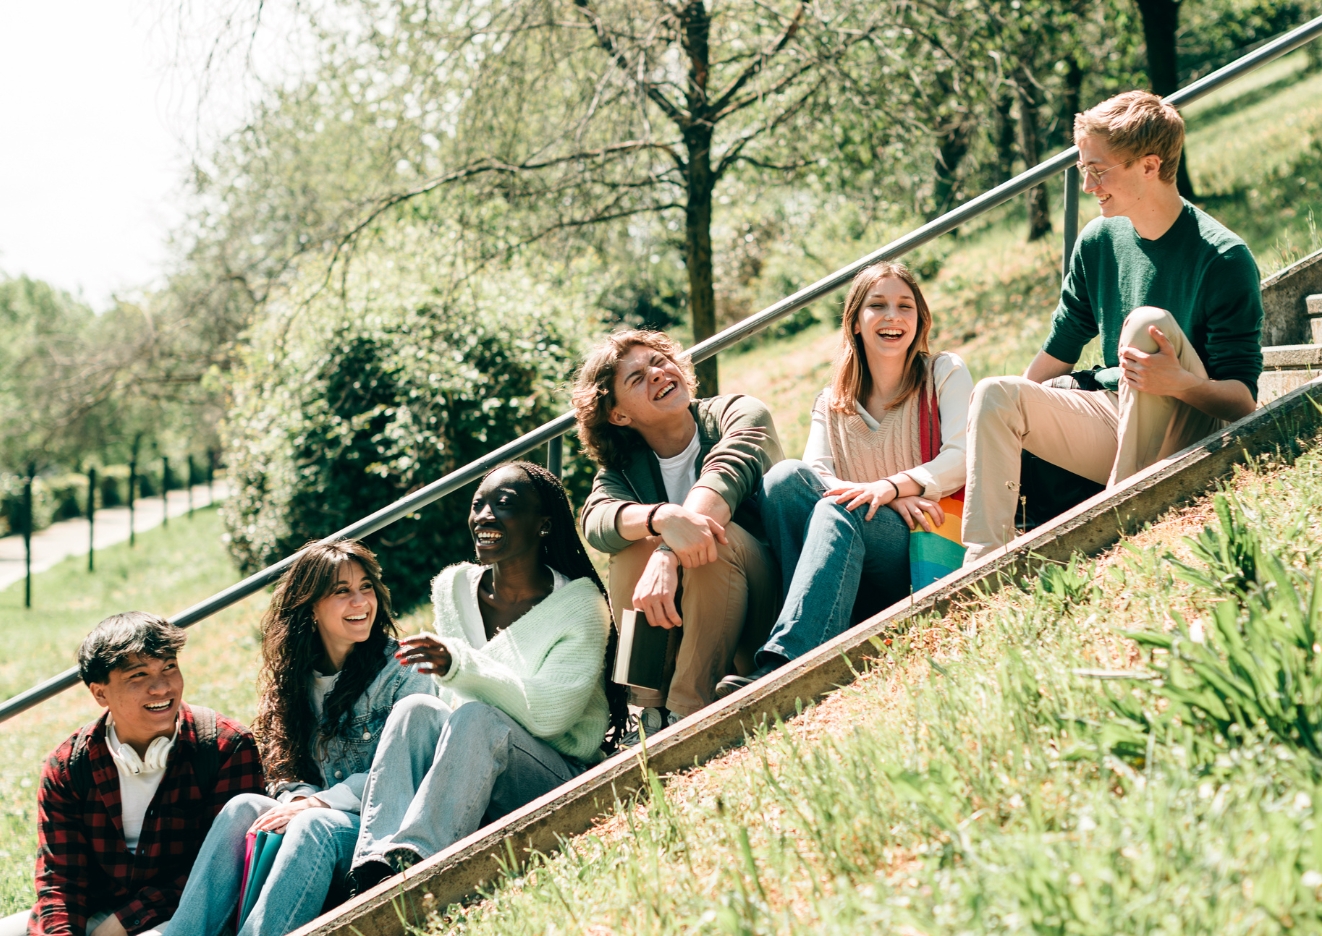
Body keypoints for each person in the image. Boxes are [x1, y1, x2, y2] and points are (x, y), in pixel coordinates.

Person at [962, 90, 1263, 562]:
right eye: (1084, 170)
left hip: (1189, 419)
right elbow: (1060, 345)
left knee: (1147, 324)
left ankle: (1119, 510)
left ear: (1149, 165)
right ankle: (982, 565)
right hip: (1116, 410)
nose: (1088, 186)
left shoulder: (1222, 258)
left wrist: (1178, 382)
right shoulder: (1098, 241)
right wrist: (999, 424)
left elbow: (1243, 401)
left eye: (1098, 171)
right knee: (993, 393)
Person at [347, 461, 628, 890]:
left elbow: (549, 716)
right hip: (474, 768)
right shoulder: (453, 587)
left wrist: (459, 665)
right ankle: (373, 867)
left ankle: (418, 864)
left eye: (504, 504)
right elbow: (460, 708)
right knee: (414, 709)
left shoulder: (581, 605)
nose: (485, 516)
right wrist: (457, 673)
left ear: (544, 524)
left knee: (478, 716)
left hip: (555, 774)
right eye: (478, 504)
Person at [715, 262, 972, 698]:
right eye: (878, 305)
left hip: (918, 546)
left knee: (836, 507)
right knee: (783, 479)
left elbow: (965, 457)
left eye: (904, 306)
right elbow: (815, 475)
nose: (893, 316)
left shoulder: (943, 372)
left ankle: (790, 661)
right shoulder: (832, 401)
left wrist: (891, 488)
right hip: (862, 530)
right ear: (855, 321)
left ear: (920, 320)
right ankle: (817, 622)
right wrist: (887, 497)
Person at [165, 541, 434, 936]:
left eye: (366, 587)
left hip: (377, 833)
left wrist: (317, 803)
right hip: (318, 817)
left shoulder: (404, 670)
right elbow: (283, 768)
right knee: (244, 808)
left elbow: (407, 769)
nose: (360, 602)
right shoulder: (295, 678)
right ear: (311, 606)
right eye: (342, 591)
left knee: (315, 825)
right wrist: (296, 800)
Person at [0, 612, 264, 936]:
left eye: (169, 667)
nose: (162, 687)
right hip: (97, 914)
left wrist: (125, 922)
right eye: (138, 675)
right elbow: (60, 881)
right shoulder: (67, 768)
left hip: (188, 913)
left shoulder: (226, 747)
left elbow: (224, 868)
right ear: (100, 694)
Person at [573, 330, 783, 736]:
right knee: (633, 547)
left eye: (658, 361)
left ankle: (689, 709)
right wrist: (661, 517)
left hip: (766, 611)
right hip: (691, 629)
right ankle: (650, 713)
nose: (656, 373)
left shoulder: (737, 413)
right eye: (636, 378)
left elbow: (726, 477)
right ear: (618, 415)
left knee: (709, 541)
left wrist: (669, 548)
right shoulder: (624, 472)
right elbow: (596, 521)